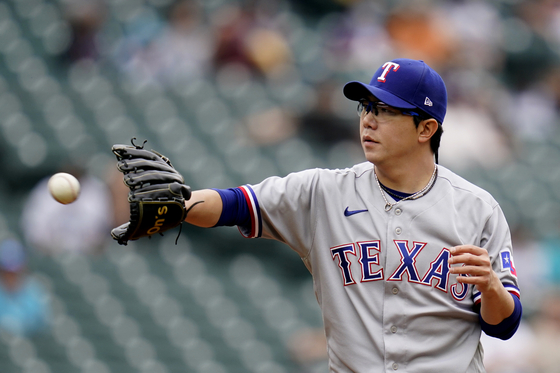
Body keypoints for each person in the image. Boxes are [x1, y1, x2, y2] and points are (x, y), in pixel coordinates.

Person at [112, 58, 522, 372]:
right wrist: (183, 206)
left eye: (386, 110)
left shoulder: (477, 208)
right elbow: (236, 203)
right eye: (366, 107)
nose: (368, 120)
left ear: (426, 129)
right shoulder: (323, 191)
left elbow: (504, 324)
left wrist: (489, 287)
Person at [0, 238, 50, 336]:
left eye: (14, 272)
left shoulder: (35, 292)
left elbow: (41, 326)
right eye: (7, 272)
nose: (10, 276)